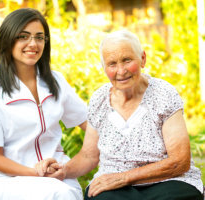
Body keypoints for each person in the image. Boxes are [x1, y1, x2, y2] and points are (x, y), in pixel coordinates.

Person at [44, 29, 204, 200]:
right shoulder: (100, 100)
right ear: (104, 67)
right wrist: (64, 170)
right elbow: (88, 156)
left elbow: (180, 161)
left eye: (127, 60)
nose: (121, 71)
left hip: (168, 181)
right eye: (112, 64)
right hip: (114, 186)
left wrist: (124, 177)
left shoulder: (163, 94)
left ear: (143, 59)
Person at [0, 8, 87, 200]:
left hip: (58, 174)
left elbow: (91, 124)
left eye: (39, 37)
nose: (33, 44)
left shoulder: (56, 82)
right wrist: (37, 172)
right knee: (60, 195)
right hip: (13, 179)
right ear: (8, 40)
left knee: (66, 193)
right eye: (23, 36)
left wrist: (72, 166)